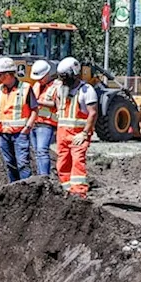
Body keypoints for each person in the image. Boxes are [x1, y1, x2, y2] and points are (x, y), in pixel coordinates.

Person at [0, 57, 36, 183]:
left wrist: (28, 127)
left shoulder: (25, 88)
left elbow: (34, 110)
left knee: (22, 163)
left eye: (0, 75)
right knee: (10, 163)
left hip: (20, 133)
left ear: (9, 74)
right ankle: (13, 187)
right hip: (4, 133)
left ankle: (26, 187)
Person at [54, 57, 98, 198]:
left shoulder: (86, 91)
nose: (63, 81)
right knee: (62, 164)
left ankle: (79, 194)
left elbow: (93, 113)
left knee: (77, 163)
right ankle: (67, 191)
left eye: (65, 78)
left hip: (78, 135)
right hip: (63, 135)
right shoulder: (61, 90)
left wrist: (85, 133)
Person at [28, 59, 59, 178]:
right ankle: (40, 177)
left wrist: (38, 102)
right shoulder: (37, 85)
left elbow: (56, 104)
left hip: (47, 123)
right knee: (36, 153)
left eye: (41, 78)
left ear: (47, 74)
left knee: (42, 151)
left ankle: (44, 177)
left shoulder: (56, 85)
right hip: (35, 121)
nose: (39, 80)